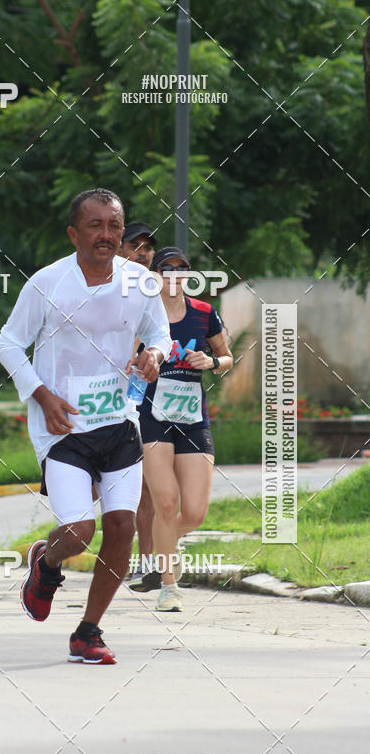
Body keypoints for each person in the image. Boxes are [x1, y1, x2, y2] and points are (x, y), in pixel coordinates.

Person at [0, 188, 171, 664]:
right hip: (63, 428)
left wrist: (155, 354)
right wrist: (42, 395)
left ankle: (88, 632)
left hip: (118, 420)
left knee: (121, 527)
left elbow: (159, 333)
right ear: (74, 233)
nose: (107, 235)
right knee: (77, 529)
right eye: (95, 226)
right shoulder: (48, 283)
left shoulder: (140, 282)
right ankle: (46, 562)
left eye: (114, 226)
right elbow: (9, 344)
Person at [128, 246, 233, 611]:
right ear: (154, 275)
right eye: (165, 268)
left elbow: (226, 359)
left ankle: (161, 551)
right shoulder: (142, 313)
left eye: (180, 269)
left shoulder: (204, 313)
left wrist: (211, 360)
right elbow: (125, 361)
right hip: (152, 417)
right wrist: (137, 369)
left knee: (195, 513)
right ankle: (169, 587)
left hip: (192, 418)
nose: (173, 274)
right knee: (166, 503)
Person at [118, 221, 157, 573]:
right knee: (91, 490)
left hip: (141, 402)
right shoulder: (103, 285)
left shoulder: (150, 292)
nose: (142, 253)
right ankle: (62, 543)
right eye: (135, 245)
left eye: (148, 247)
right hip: (95, 404)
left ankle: (145, 564)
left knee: (143, 488)